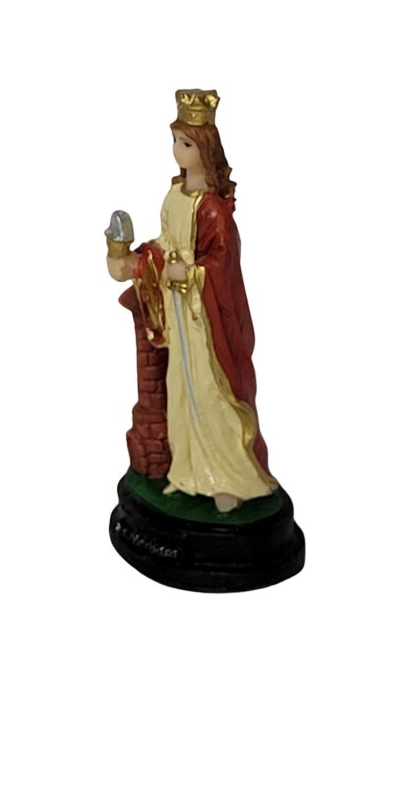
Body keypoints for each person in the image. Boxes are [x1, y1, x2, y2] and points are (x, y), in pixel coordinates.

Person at [107, 90, 277, 512]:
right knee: (181, 392)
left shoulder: (214, 209)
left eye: (186, 143)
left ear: (205, 148)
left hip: (204, 321)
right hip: (179, 312)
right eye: (175, 141)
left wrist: (194, 272)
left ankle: (231, 479)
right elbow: (166, 244)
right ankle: (189, 473)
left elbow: (222, 260)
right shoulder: (175, 195)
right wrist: (138, 260)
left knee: (211, 393)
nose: (177, 151)